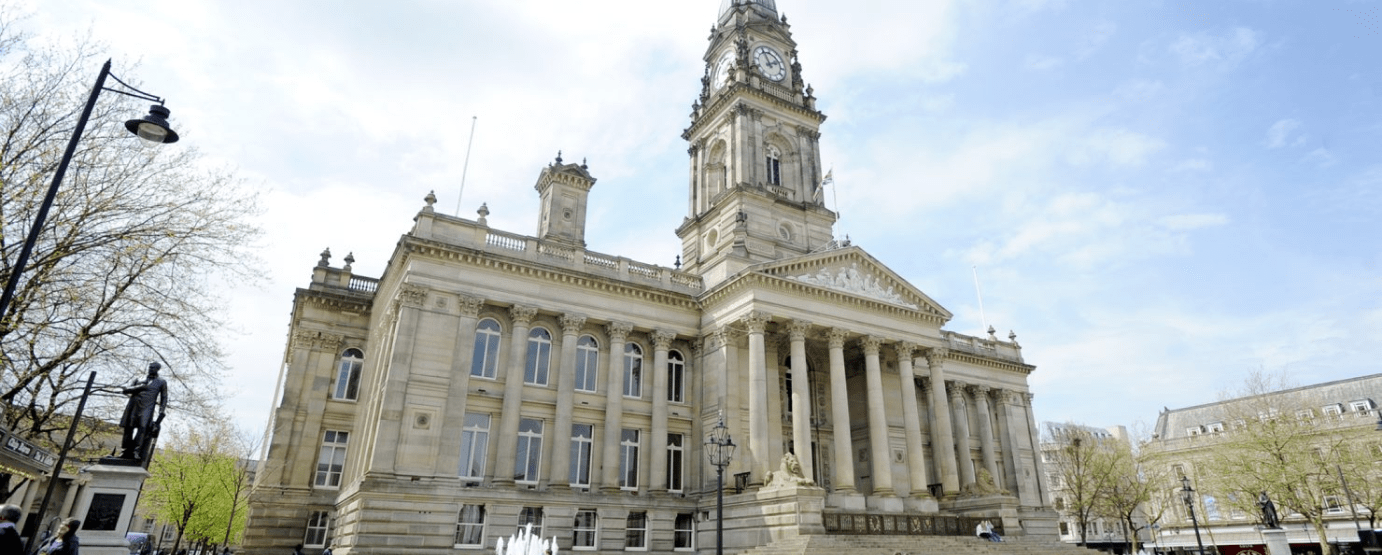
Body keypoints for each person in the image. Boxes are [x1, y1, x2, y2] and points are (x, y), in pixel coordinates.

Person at [119, 362, 168, 460]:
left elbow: (164, 397)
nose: (151, 369)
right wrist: (139, 387)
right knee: (129, 427)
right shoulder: (139, 378)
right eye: (150, 367)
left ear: (157, 369)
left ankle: (136, 451)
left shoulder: (161, 381)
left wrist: (161, 410)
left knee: (142, 428)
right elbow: (127, 390)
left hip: (147, 407)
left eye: (153, 368)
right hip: (133, 405)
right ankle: (125, 450)